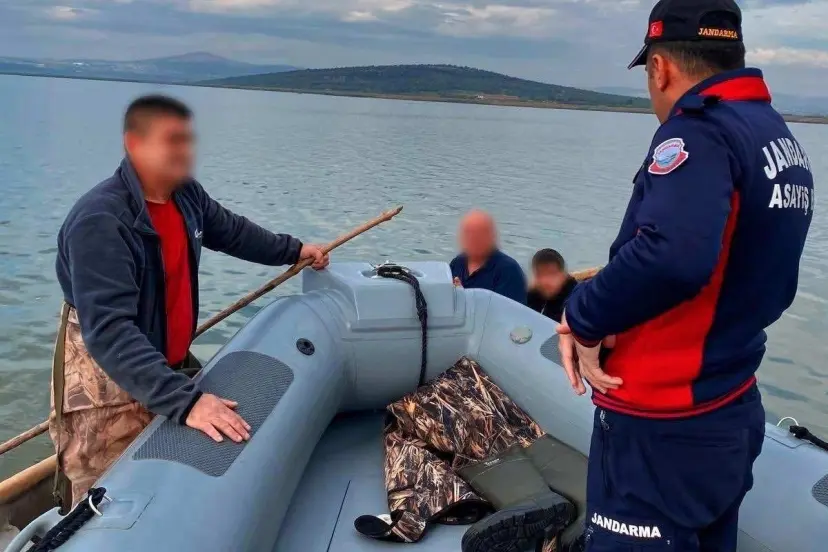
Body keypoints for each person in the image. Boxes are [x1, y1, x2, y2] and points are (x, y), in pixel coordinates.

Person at [556, 1, 814, 551]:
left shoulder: (697, 132)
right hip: (730, 401)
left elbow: (673, 254)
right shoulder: (776, 136)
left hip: (662, 422)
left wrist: (583, 316)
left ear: (660, 67)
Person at [50, 95, 330, 506]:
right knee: (106, 497)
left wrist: (292, 250)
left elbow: (232, 231)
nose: (185, 151)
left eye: (187, 139)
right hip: (106, 376)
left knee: (169, 476)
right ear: (134, 144)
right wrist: (187, 402)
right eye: (172, 140)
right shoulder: (101, 221)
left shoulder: (185, 195)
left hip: (163, 359)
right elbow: (109, 331)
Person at [449, 210, 527, 304]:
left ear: (492, 236)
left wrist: (463, 297)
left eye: (479, 234)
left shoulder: (509, 270)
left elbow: (507, 311)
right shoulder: (457, 263)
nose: (473, 238)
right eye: (468, 233)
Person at [527, 249, 577, 323]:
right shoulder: (535, 293)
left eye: (551, 274)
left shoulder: (575, 301)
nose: (545, 281)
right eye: (540, 274)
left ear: (563, 275)